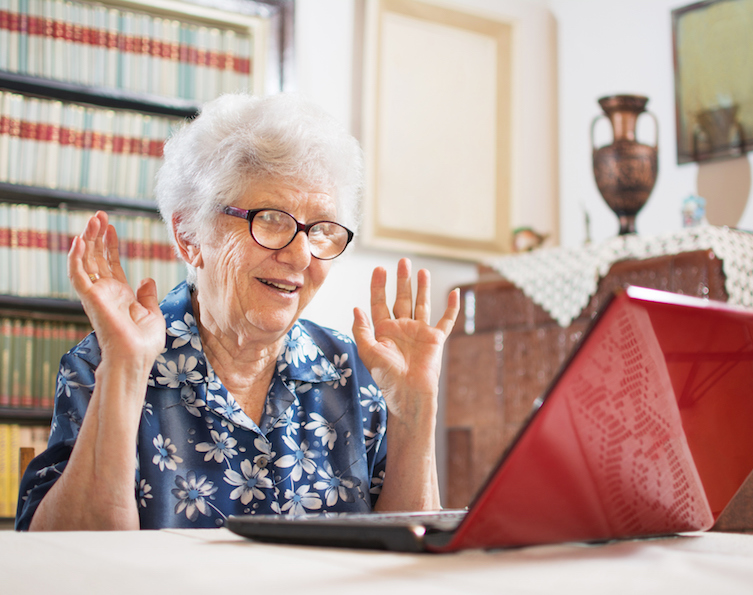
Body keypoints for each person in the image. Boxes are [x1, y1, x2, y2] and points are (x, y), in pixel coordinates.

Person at [15, 93, 460, 530]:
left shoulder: (361, 373)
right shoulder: (102, 363)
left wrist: (414, 411)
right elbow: (77, 563)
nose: (301, 255)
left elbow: (409, 555)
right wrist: (125, 372)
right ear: (190, 234)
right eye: (270, 219)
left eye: (321, 229)